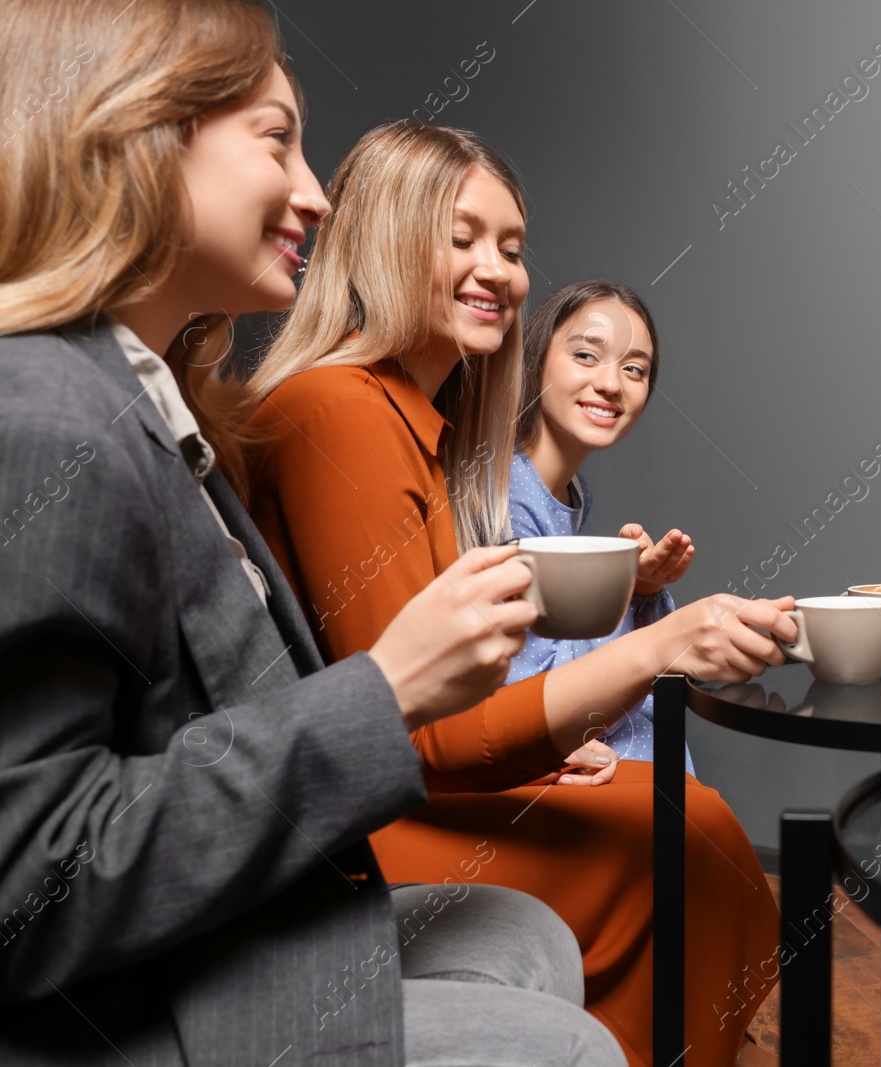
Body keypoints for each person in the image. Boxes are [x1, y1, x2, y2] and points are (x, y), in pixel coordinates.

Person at [0, 2, 624, 1065]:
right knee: (568, 1046)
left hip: (215, 922)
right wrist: (386, 690)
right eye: (276, 138)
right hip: (115, 1012)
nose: (315, 194)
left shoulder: (152, 403)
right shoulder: (50, 417)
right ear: (140, 130)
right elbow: (29, 892)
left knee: (519, 928)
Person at [245, 121, 790, 1067]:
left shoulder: (415, 424)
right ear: (381, 235)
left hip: (391, 786)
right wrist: (663, 645)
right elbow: (415, 730)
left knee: (685, 824)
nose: (496, 269)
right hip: (353, 822)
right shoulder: (338, 409)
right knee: (687, 831)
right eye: (460, 238)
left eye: (511, 245)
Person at [507, 279, 696, 770]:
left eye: (634, 369)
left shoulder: (573, 492)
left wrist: (638, 587)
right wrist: (624, 595)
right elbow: (524, 682)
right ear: (534, 361)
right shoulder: (506, 493)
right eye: (587, 356)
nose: (612, 384)